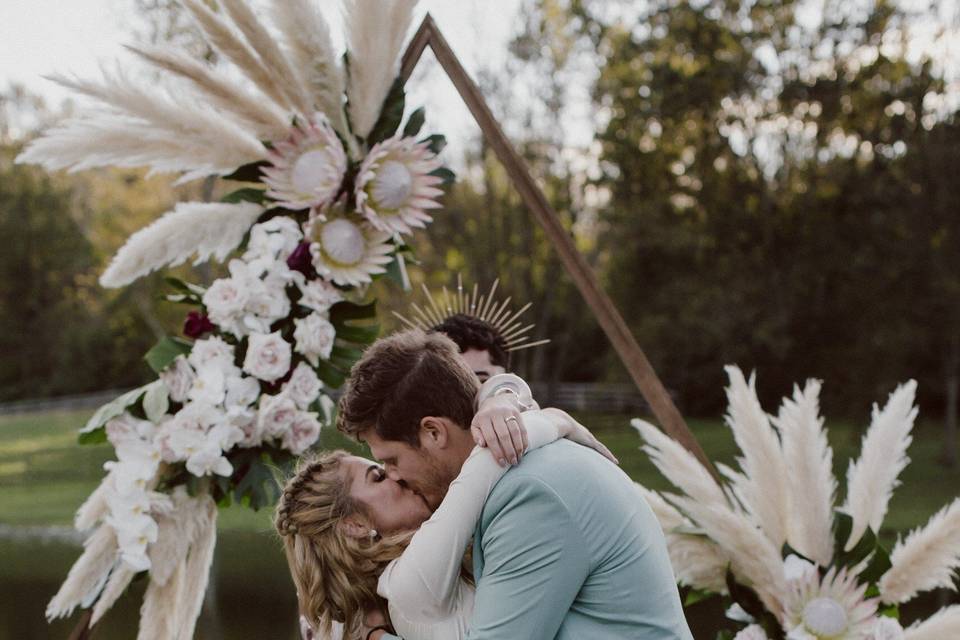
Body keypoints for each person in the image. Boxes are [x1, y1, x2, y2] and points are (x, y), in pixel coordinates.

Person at [333, 330, 693, 639]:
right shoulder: (513, 477)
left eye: (391, 461)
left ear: (433, 432)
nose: (394, 476)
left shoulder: (530, 495)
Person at [278, 376, 613, 639]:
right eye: (378, 475)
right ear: (354, 525)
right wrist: (555, 421)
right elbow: (482, 468)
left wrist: (504, 393)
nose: (396, 476)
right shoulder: (405, 586)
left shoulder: (376, 607)